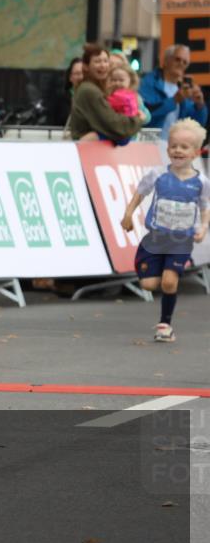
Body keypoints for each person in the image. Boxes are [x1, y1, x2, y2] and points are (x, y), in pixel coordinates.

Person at [121, 119, 210, 343]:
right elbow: (140, 193)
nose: (177, 150)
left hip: (181, 240)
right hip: (155, 238)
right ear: (168, 148)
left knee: (169, 283)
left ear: (196, 152)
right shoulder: (158, 173)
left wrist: (203, 228)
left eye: (184, 147)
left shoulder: (201, 181)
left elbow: (205, 207)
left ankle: (165, 325)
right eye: (173, 146)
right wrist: (128, 214)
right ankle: (155, 262)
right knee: (148, 285)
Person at [67, 43, 143, 143]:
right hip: (89, 151)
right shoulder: (89, 90)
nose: (103, 65)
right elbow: (114, 125)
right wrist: (137, 119)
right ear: (86, 66)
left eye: (106, 61)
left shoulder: (95, 88)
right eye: (97, 61)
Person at [140, 45, 207, 139]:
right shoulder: (148, 82)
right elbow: (145, 114)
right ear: (166, 60)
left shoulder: (185, 88)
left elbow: (196, 125)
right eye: (177, 59)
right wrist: (174, 100)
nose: (181, 64)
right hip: (149, 143)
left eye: (185, 62)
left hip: (175, 147)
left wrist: (199, 106)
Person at [50, 57, 83, 127]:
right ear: (70, 77)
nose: (81, 77)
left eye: (84, 73)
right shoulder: (60, 100)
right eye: (77, 73)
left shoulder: (93, 98)